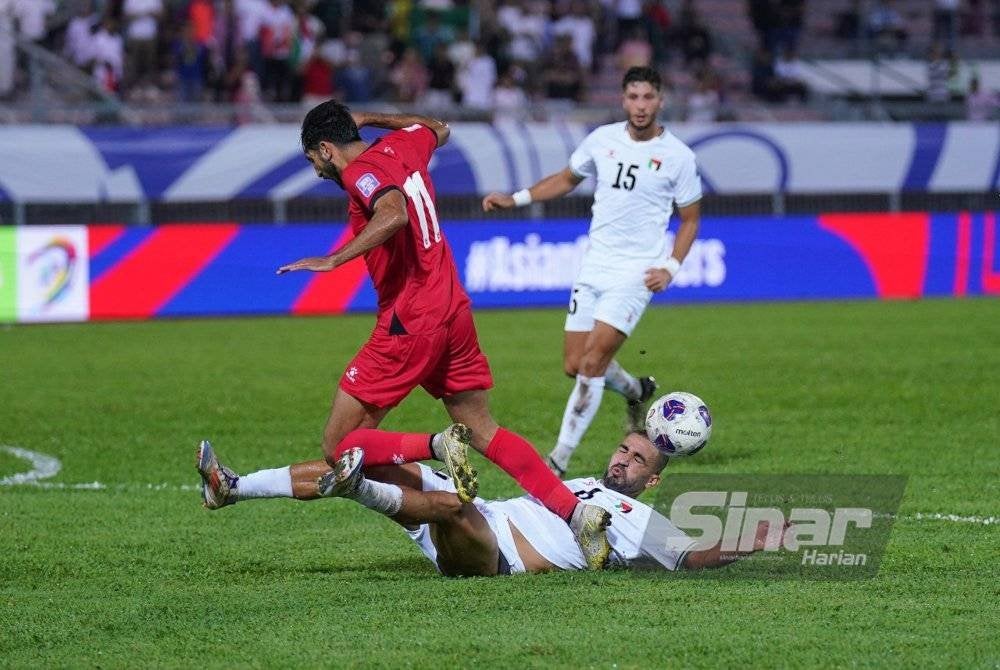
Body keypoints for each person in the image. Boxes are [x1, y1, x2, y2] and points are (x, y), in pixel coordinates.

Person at [197, 100, 614, 570]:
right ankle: (576, 515)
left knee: (341, 447)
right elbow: (439, 127)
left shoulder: (362, 174)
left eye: (312, 157)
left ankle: (436, 445)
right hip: (452, 308)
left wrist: (334, 259)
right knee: (483, 429)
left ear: (327, 149)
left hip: (411, 318)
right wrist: (373, 118)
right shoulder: (402, 144)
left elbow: (392, 212)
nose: (314, 166)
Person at [481, 66, 702, 476]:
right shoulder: (602, 140)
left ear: (660, 100)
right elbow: (566, 179)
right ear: (623, 100)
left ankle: (557, 460)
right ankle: (636, 390)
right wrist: (516, 199)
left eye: (648, 97)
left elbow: (690, 219)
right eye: (633, 97)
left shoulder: (678, 157)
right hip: (594, 265)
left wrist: (670, 266)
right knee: (574, 364)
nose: (640, 106)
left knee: (592, 364)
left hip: (636, 274)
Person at [299, 429, 778, 576]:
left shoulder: (639, 517)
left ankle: (357, 489)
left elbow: (691, 558)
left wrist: (751, 542)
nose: (622, 462)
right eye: (623, 450)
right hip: (485, 514)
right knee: (372, 459)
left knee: (451, 502)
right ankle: (236, 487)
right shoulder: (587, 482)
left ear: (651, 481)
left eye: (637, 462)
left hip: (492, 552)